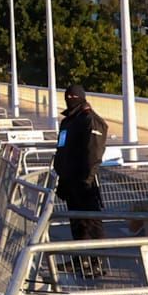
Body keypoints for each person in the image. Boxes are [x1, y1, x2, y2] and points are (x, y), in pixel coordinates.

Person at [54, 85, 110, 255]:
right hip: (69, 181)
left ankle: (97, 261)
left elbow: (94, 153)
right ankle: (81, 260)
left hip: (84, 182)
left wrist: (87, 179)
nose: (70, 99)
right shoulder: (68, 121)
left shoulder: (90, 120)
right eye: (68, 96)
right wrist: (62, 177)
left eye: (74, 96)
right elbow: (62, 149)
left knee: (91, 223)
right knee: (78, 224)